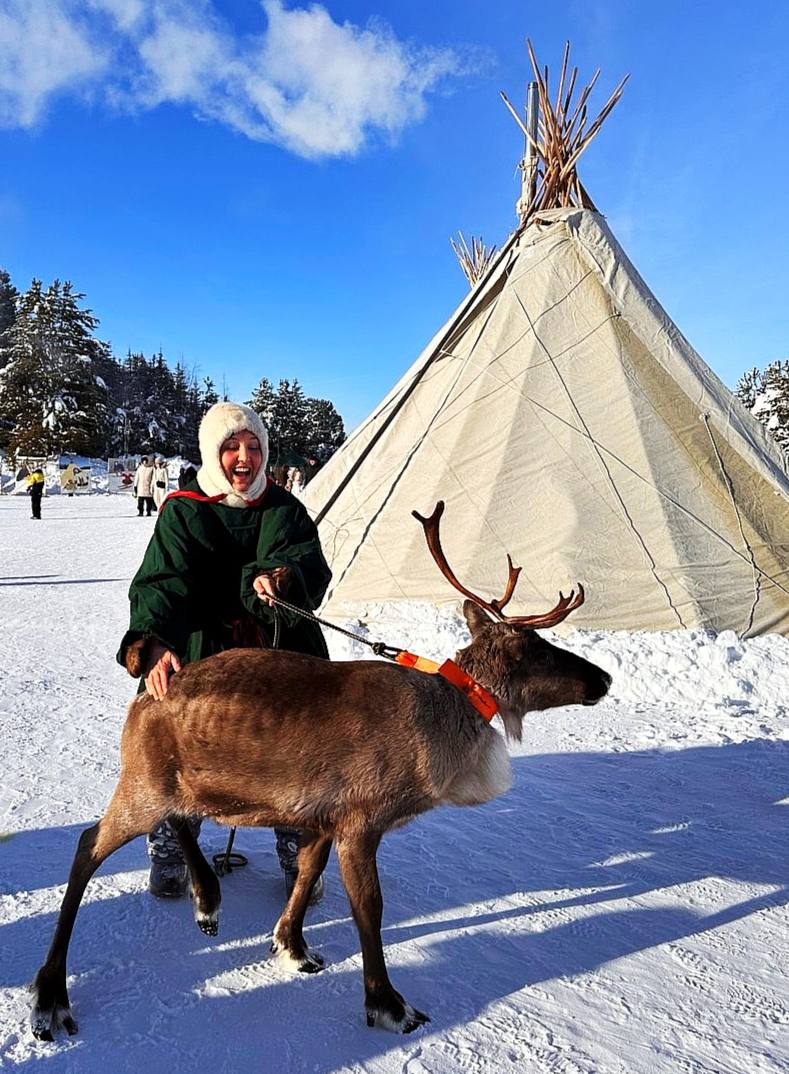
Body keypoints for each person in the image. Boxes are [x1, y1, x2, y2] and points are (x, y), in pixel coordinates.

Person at [117, 401, 332, 901]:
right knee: (185, 750)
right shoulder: (184, 511)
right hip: (202, 649)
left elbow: (308, 565)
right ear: (212, 452)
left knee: (296, 755)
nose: (244, 457)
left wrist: (282, 578)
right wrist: (153, 642)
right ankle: (173, 849)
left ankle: (299, 856)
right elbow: (162, 580)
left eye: (254, 447)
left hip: (277, 647)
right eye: (231, 446)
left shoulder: (285, 509)